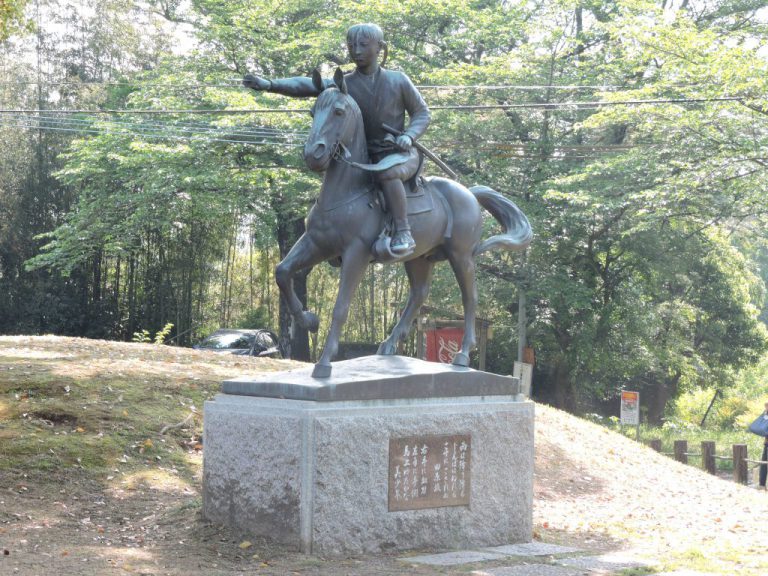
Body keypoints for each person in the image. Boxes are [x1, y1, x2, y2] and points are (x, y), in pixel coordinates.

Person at [243, 23, 430, 255]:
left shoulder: (398, 80)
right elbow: (306, 85)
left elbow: (422, 112)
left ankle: (403, 231)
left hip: (398, 154)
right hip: (363, 156)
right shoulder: (346, 84)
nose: (356, 50)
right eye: (352, 45)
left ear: (379, 47)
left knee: (387, 173)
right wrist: (270, 84)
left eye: (363, 45)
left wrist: (410, 136)